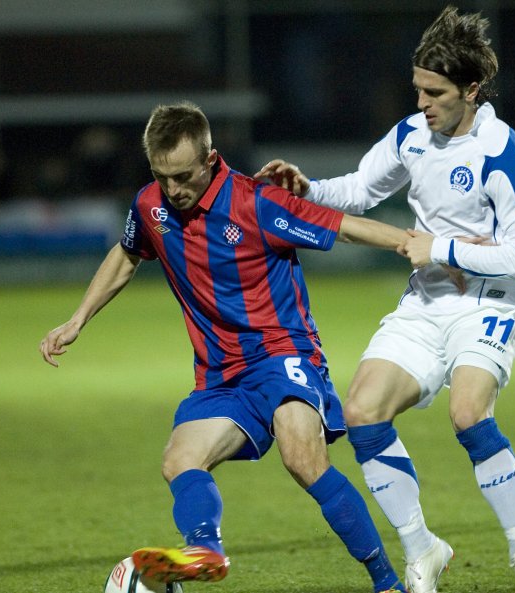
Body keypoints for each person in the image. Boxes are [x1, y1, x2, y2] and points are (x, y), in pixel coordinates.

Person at [39, 102, 413, 593]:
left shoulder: (256, 203)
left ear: (211, 158)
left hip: (284, 355)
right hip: (220, 375)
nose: (173, 189)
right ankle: (204, 550)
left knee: (303, 459)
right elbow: (127, 254)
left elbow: (343, 226)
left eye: (183, 175)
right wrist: (77, 320)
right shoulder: (150, 205)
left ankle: (387, 584)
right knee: (179, 459)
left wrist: (415, 243)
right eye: (162, 175)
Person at [255, 6, 515, 593]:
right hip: (428, 299)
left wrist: (439, 247)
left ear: (471, 90)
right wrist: (308, 187)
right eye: (417, 90)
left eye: (435, 92)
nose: (422, 103)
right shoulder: (412, 135)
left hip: (493, 302)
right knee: (362, 410)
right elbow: (361, 190)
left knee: (468, 413)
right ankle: (423, 549)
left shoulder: (503, 153)